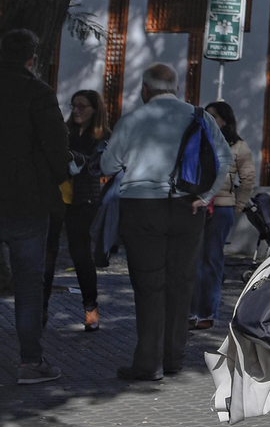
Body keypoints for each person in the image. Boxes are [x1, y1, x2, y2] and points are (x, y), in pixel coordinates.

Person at [98, 64, 233, 381]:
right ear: (175, 87)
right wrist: (207, 195)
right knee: (181, 284)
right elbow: (224, 159)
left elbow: (107, 163)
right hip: (188, 207)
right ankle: (173, 358)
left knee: (149, 286)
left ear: (145, 88)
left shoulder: (133, 119)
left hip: (142, 207)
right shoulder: (199, 116)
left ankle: (148, 363)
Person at [0, 29, 70, 384]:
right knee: (29, 287)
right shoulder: (38, 93)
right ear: (32, 59)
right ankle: (30, 362)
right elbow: (57, 148)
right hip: (27, 202)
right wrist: (63, 182)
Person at [43, 90, 111, 333]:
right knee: (47, 255)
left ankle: (91, 310)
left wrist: (76, 158)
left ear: (95, 109)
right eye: (74, 106)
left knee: (80, 255)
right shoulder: (65, 131)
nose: (77, 110)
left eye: (83, 106)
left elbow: (100, 166)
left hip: (85, 201)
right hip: (57, 198)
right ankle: (41, 309)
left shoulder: (103, 136)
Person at [189, 101, 255, 330]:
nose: (208, 120)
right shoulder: (198, 142)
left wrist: (236, 206)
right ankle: (191, 312)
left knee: (211, 262)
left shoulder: (237, 146)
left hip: (220, 209)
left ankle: (207, 312)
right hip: (197, 206)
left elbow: (247, 179)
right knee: (193, 261)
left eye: (213, 116)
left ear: (224, 120)